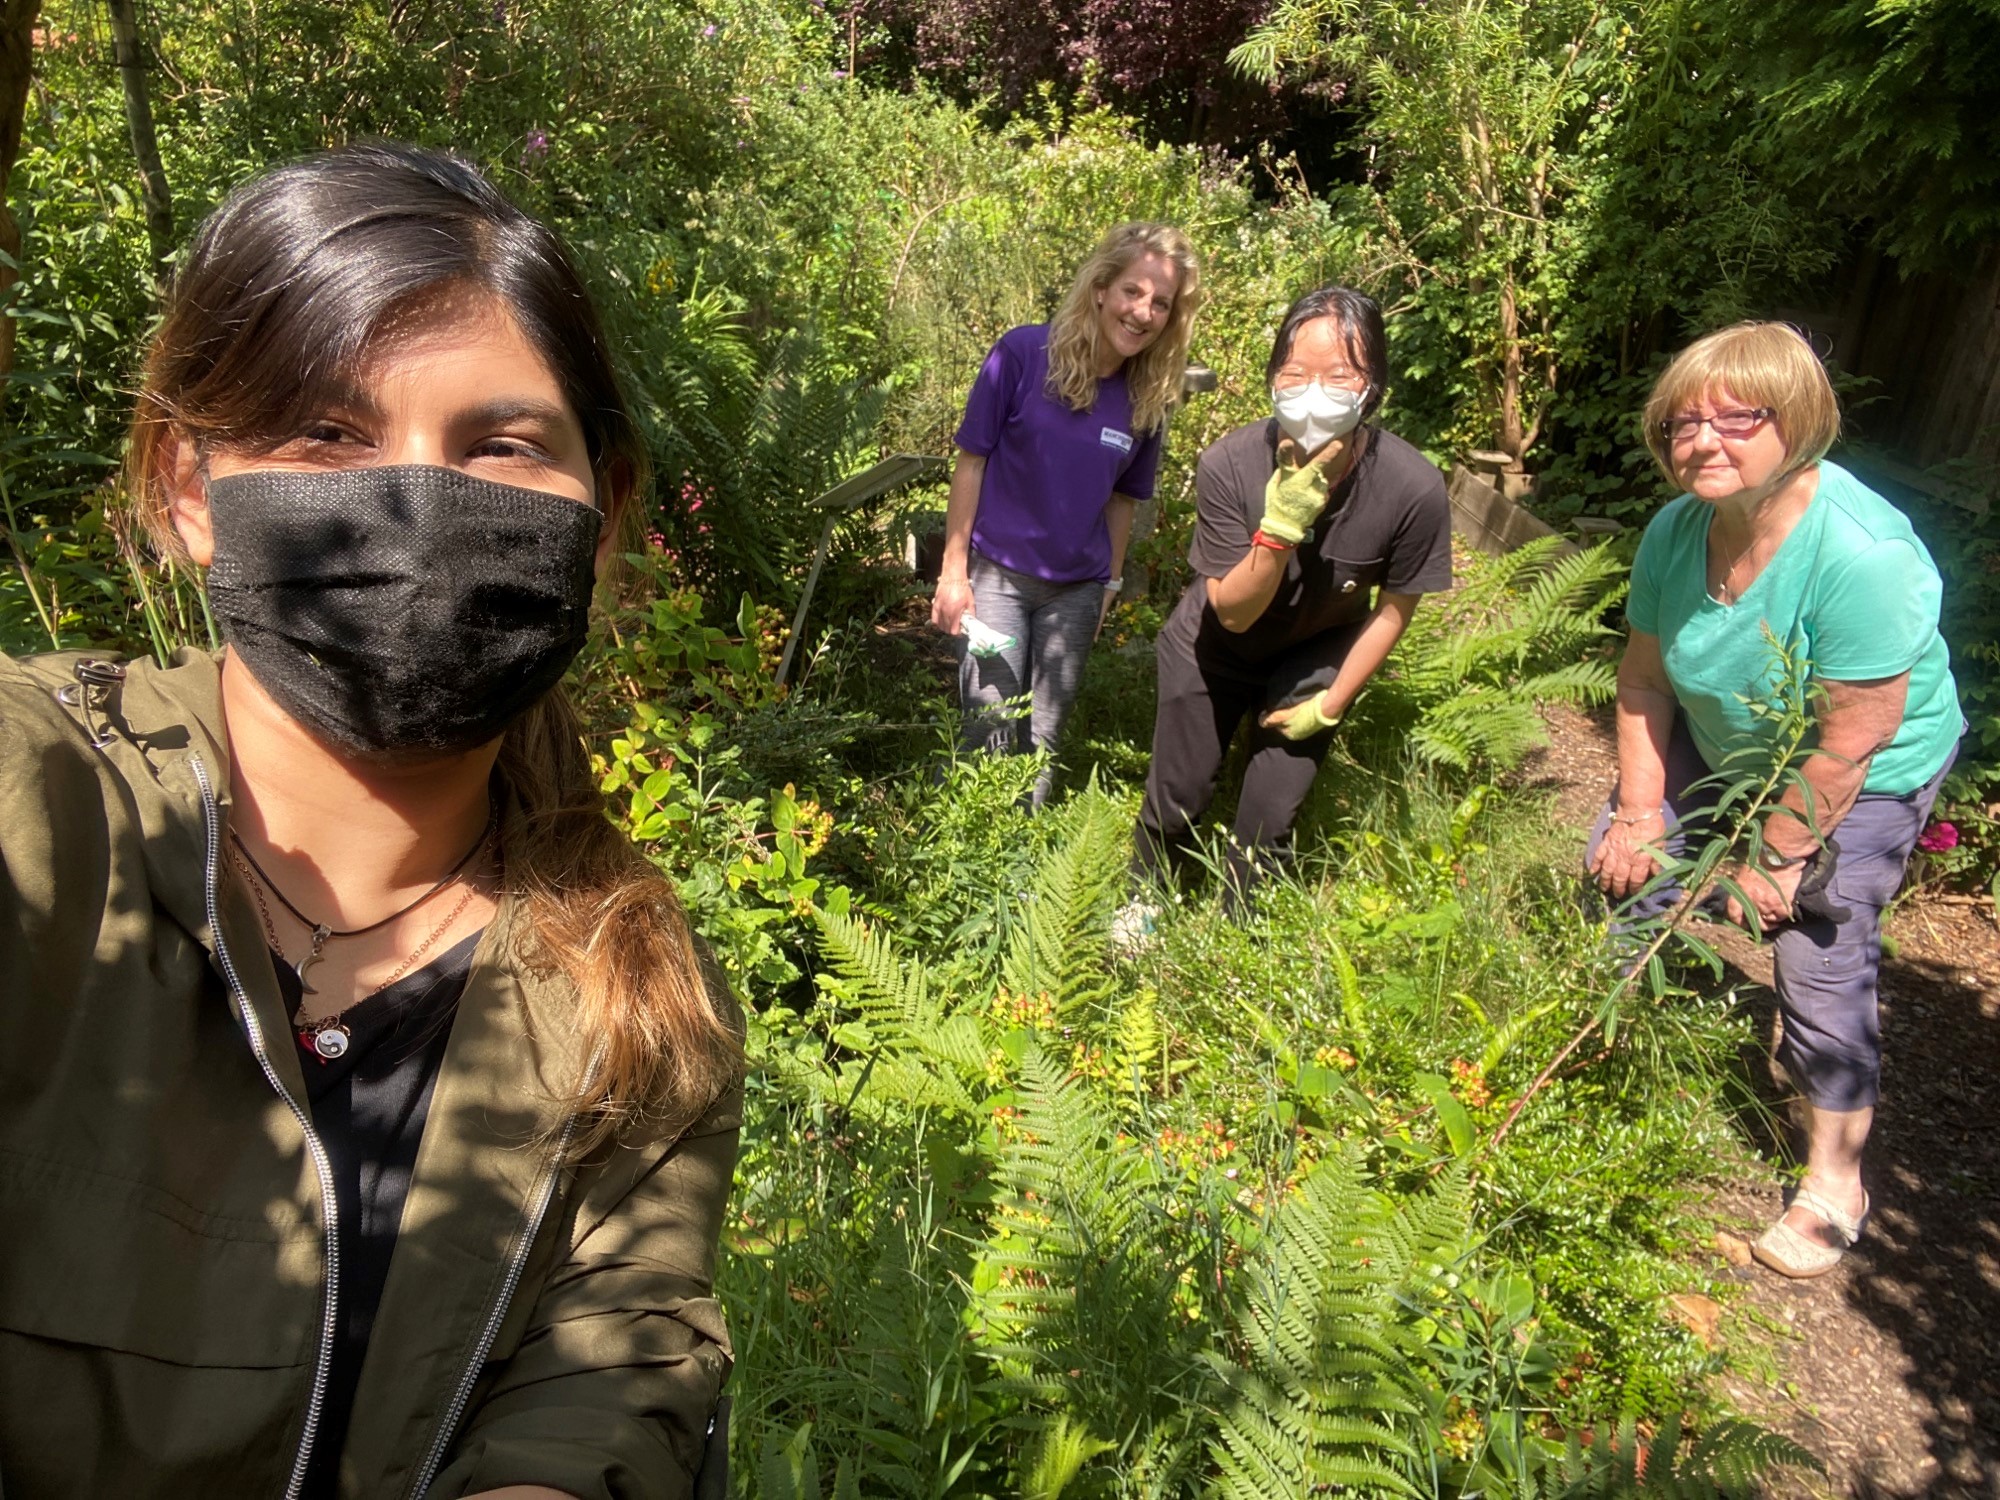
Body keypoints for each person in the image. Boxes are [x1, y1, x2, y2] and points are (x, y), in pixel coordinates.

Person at [0, 145, 743, 1499]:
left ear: (604, 513)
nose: (413, 501)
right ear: (187, 488)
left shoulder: (643, 996)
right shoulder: (41, 802)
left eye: (501, 446)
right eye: (326, 436)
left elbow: (607, 1389)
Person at [1588, 322, 1961, 1280]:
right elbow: (1643, 685)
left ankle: (1836, 1180)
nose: (1702, 440)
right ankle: (1607, 1036)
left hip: (1865, 767)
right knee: (1625, 866)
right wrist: (1638, 813)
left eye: (1735, 418)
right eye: (1681, 423)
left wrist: (1778, 854)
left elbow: (1854, 730)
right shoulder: (1676, 531)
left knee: (1817, 948)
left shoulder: (1863, 553)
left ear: (1796, 423)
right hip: (1735, 743)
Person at [1123, 285, 1453, 910]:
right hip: (1214, 644)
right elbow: (1234, 610)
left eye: (1339, 375)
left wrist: (1333, 700)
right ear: (1273, 379)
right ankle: (1144, 904)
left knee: (1270, 819)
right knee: (1179, 793)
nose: (1313, 391)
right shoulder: (1229, 463)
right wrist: (1278, 528)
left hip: (1317, 651)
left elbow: (1395, 607)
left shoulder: (1414, 487)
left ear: (1372, 386)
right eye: (1295, 373)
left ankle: (1237, 931)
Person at [930, 222, 1203, 806]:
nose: (1143, 312)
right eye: (1134, 291)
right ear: (1101, 288)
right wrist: (954, 572)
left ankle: (1027, 877)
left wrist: (1109, 586)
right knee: (991, 731)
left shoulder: (1148, 397)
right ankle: (974, 867)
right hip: (997, 580)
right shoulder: (1023, 355)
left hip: (1075, 594)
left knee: (1043, 746)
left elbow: (1124, 500)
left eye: (1161, 303)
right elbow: (971, 463)